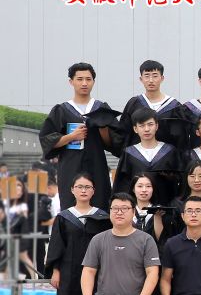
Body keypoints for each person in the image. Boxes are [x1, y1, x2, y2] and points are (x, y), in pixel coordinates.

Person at [45, 173, 110, 295]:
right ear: (72, 190)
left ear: (93, 191)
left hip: (97, 274)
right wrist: (55, 271)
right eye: (79, 187)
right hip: (69, 274)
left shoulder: (102, 217)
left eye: (87, 187)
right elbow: (56, 246)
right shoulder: (64, 217)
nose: (83, 190)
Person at [39, 62, 118, 210]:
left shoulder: (101, 108)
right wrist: (71, 136)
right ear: (71, 82)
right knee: (71, 208)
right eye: (79, 79)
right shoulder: (62, 110)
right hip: (70, 167)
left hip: (97, 166)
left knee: (100, 206)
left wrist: (103, 129)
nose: (84, 83)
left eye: (88, 79)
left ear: (93, 81)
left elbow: (114, 144)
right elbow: (47, 140)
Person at [111, 108, 182, 205]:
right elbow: (122, 184)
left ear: (157, 126)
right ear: (135, 129)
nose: (147, 129)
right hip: (137, 207)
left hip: (165, 206)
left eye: (150, 124)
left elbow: (178, 182)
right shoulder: (129, 153)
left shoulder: (169, 151)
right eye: (142, 125)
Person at [119, 60, 185, 152]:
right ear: (141, 79)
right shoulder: (134, 104)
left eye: (155, 76)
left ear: (162, 78)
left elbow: (181, 139)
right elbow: (124, 133)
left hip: (167, 157)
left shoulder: (174, 107)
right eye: (147, 76)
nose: (151, 80)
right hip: (138, 157)